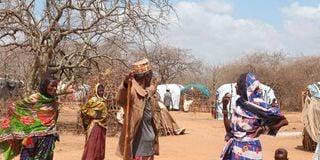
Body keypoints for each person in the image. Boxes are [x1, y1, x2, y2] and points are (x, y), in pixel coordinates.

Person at [220, 72, 288, 160]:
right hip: (234, 150)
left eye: (238, 85)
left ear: (245, 87)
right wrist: (224, 108)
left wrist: (263, 128)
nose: (236, 87)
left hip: (250, 151)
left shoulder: (260, 105)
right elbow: (229, 130)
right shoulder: (239, 104)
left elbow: (283, 121)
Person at [0, 75, 60, 160]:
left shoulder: (54, 100)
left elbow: (54, 117)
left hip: (48, 137)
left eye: (56, 86)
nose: (54, 88)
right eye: (52, 85)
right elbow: (17, 107)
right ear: (45, 85)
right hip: (32, 136)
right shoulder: (35, 98)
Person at [116, 58, 159, 160]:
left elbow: (149, 91)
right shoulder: (132, 92)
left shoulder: (146, 92)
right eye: (151, 74)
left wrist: (154, 85)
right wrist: (126, 84)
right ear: (147, 76)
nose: (152, 77)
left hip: (149, 147)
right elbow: (121, 98)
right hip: (139, 150)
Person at [81, 83, 108, 160]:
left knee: (100, 146)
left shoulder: (104, 100)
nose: (101, 92)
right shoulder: (93, 100)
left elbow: (105, 113)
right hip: (95, 125)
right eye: (100, 90)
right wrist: (94, 114)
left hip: (103, 126)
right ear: (96, 91)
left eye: (103, 90)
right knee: (93, 144)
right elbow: (84, 110)